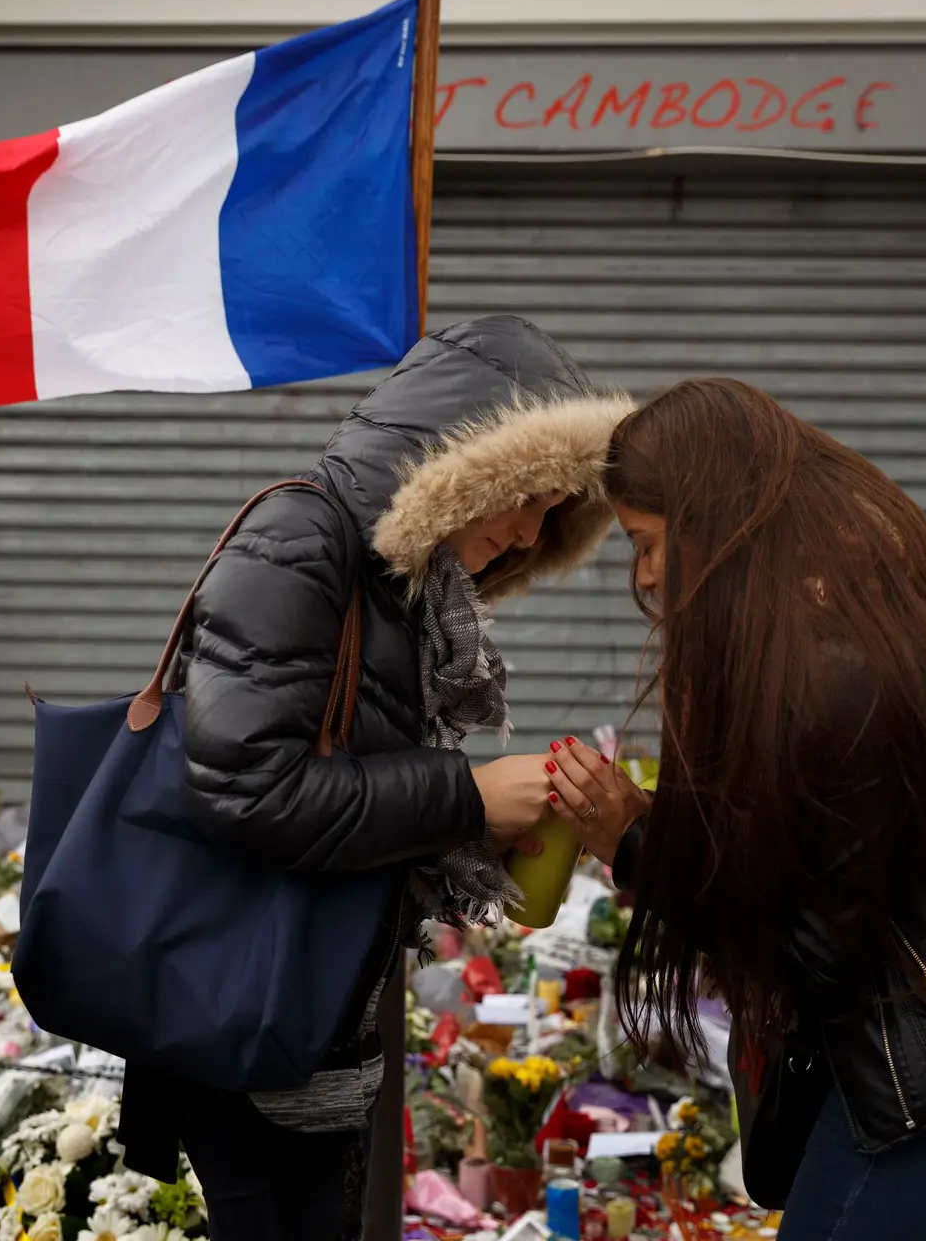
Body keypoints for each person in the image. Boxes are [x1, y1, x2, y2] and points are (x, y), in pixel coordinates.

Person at [542, 378, 926, 1241]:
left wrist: (636, 844)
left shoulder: (839, 674)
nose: (647, 576)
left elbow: (811, 947)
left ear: (716, 521)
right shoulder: (876, 602)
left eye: (649, 542)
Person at [174, 315, 631, 1239]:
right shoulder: (305, 536)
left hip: (311, 1018)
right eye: (524, 497)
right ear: (462, 462)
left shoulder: (393, 584)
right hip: (257, 1024)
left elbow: (341, 779)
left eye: (554, 512)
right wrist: (464, 795)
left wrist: (483, 818)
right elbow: (245, 789)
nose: (528, 532)